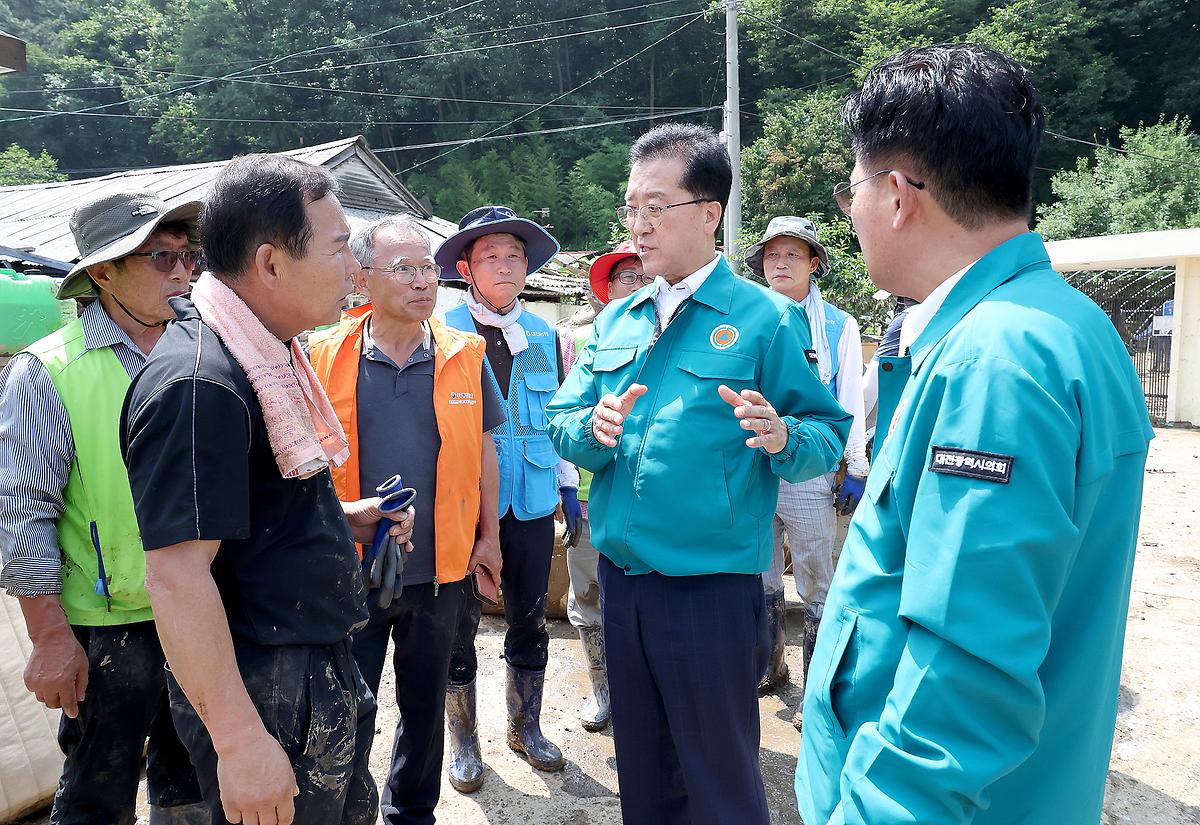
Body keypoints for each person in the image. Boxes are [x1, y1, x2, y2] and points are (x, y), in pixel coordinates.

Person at [795, 44, 1154, 825]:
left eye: (849, 188)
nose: (848, 211)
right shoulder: (1063, 324)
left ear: (896, 195)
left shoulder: (994, 362)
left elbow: (964, 675)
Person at [546, 123, 852, 825]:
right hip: (625, 582)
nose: (639, 226)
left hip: (712, 590)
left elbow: (825, 432)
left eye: (657, 207)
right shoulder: (616, 320)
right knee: (645, 772)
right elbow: (561, 419)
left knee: (719, 777)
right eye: (631, 208)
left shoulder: (764, 320)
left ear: (709, 213)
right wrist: (589, 432)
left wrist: (782, 435)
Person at [121, 155, 414, 825]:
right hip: (266, 692)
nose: (355, 270)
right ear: (271, 263)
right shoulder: (201, 385)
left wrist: (345, 520)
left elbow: (246, 510)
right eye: (340, 249)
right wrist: (239, 740)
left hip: (305, 672)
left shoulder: (265, 353)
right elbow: (175, 576)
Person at [0, 191, 208, 825]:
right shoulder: (48, 372)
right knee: (97, 790)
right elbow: (19, 511)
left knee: (196, 782)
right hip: (109, 624)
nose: (182, 272)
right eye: (160, 257)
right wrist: (49, 636)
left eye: (189, 255)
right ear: (102, 272)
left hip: (203, 607)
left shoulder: (208, 352)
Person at [308, 215, 505, 824]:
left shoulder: (465, 354)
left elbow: (485, 447)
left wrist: (490, 537)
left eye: (428, 268)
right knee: (349, 706)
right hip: (350, 568)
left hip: (439, 569)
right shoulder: (320, 353)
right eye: (405, 268)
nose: (424, 281)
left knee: (424, 707)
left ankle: (412, 812)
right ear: (362, 277)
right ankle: (349, 809)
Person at [436, 205, 573, 791]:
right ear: (466, 267)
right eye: (490, 255)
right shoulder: (441, 329)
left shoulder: (544, 333)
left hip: (533, 500)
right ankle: (464, 742)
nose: (505, 266)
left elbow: (561, 415)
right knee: (458, 624)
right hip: (465, 505)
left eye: (514, 255)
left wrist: (568, 489)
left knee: (529, 617)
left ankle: (526, 726)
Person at [744, 216, 870, 697]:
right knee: (761, 572)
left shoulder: (838, 324)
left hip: (810, 468)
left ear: (814, 264)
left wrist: (855, 464)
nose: (780, 263)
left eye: (792, 254)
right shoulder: (747, 318)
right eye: (772, 255)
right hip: (753, 464)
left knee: (817, 575)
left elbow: (850, 400)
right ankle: (768, 668)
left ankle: (819, 682)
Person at [555, 238, 654, 733]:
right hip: (592, 496)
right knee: (588, 596)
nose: (636, 284)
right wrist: (567, 488)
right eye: (625, 277)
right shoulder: (578, 340)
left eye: (643, 275)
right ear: (608, 288)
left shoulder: (667, 338)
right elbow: (563, 416)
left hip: (650, 501)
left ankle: (641, 693)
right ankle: (603, 691)